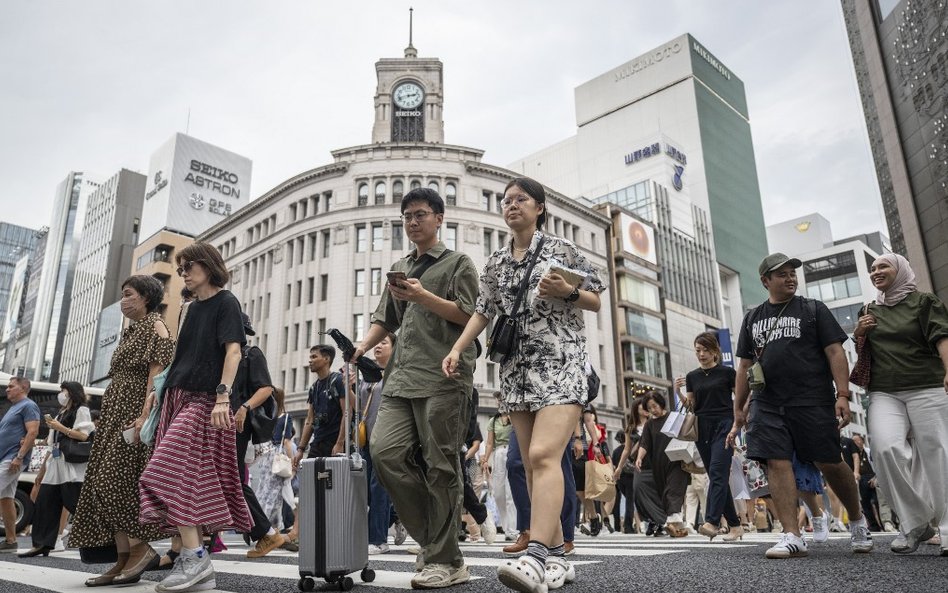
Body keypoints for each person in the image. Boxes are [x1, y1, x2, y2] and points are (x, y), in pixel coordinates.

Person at [444, 176, 605, 593]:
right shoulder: (496, 262)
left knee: (542, 453)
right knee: (532, 464)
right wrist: (459, 348)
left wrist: (567, 291)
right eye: (506, 200)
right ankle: (554, 557)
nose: (511, 205)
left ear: (539, 208)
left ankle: (535, 555)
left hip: (562, 362)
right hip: (516, 369)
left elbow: (596, 296)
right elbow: (483, 311)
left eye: (521, 200)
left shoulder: (561, 250)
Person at [355, 186, 479, 589]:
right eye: (407, 215)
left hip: (444, 376)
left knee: (442, 465)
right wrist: (361, 346)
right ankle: (437, 543)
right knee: (384, 452)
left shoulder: (458, 263)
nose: (412, 221)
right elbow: (385, 317)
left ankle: (445, 558)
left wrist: (424, 296)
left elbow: (471, 316)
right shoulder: (400, 265)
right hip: (400, 378)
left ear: (439, 218)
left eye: (421, 214)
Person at [729, 252, 873, 559]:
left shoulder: (813, 309)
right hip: (767, 403)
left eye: (792, 272)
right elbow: (744, 366)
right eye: (781, 274)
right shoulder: (752, 317)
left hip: (812, 399)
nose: (790, 277)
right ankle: (792, 534)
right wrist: (738, 410)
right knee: (775, 461)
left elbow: (835, 351)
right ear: (765, 281)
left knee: (830, 461)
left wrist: (843, 395)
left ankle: (858, 520)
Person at [138, 242, 253, 592]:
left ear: (208, 265)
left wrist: (223, 397)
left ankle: (195, 558)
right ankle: (195, 557)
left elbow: (233, 351)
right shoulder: (187, 309)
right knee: (187, 479)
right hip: (176, 396)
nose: (184, 273)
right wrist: (161, 389)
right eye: (180, 268)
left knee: (164, 470)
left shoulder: (227, 301)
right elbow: (181, 356)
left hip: (205, 401)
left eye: (189, 266)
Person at [70, 275, 174, 585]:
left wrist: (144, 416)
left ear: (145, 297)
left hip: (133, 416)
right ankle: (123, 559)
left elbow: (157, 377)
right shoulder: (129, 332)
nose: (123, 300)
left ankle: (141, 550)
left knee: (111, 483)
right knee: (104, 488)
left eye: (128, 294)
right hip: (114, 415)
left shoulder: (156, 325)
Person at [854, 253, 948, 555]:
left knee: (938, 454)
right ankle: (916, 522)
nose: (876, 272)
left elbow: (942, 336)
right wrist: (859, 333)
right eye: (873, 269)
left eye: (883, 266)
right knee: (884, 449)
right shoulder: (868, 309)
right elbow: (863, 350)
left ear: (901, 270)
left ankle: (947, 529)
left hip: (929, 386)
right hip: (884, 391)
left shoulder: (924, 302)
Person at [231, 313, 286, 558]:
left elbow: (265, 388)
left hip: (236, 424)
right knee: (225, 481)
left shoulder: (250, 354)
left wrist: (244, 407)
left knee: (229, 480)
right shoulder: (222, 358)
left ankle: (266, 532)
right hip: (215, 423)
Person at [679, 332, 743, 542]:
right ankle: (735, 525)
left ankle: (712, 521)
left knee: (717, 471)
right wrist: (678, 392)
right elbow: (691, 406)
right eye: (698, 350)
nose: (702, 354)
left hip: (724, 424)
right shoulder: (692, 376)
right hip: (702, 427)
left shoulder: (727, 373)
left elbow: (739, 399)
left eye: (706, 350)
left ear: (715, 351)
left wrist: (739, 423)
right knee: (717, 475)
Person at [20, 382, 94, 557]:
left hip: (71, 464)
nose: (61, 394)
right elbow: (53, 439)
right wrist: (41, 440)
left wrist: (60, 428)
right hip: (55, 462)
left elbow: (83, 435)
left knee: (76, 503)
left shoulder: (81, 409)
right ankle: (42, 543)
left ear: (72, 393)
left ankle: (101, 540)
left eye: (64, 390)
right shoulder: (62, 412)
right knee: (45, 502)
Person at [360, 334, 401, 555]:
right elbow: (357, 408)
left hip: (387, 439)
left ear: (394, 348)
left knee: (378, 488)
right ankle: (395, 515)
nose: (378, 346)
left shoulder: (396, 374)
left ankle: (378, 539)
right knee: (365, 488)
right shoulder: (368, 376)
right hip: (366, 439)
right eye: (377, 343)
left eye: (384, 343)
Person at [634, 391, 689, 538]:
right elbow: (644, 443)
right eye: (649, 408)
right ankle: (678, 526)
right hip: (658, 464)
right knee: (665, 494)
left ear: (661, 403)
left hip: (677, 461)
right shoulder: (650, 424)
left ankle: (672, 521)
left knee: (673, 490)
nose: (653, 410)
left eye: (654, 406)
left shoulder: (674, 417)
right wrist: (639, 458)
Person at [0, 376, 40, 553]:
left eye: (11, 386)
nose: (7, 389)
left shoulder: (29, 406)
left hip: (12, 459)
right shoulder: (13, 407)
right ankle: (11, 541)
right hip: (6, 458)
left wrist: (19, 456)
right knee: (6, 499)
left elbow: (33, 432)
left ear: (23, 388)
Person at [481, 405, 517, 542]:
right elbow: (490, 443)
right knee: (499, 494)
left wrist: (511, 417)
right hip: (498, 454)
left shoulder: (514, 418)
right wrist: (485, 459)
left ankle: (512, 530)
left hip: (512, 451)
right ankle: (505, 525)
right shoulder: (493, 421)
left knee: (510, 494)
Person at [612, 397, 648, 534]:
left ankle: (656, 522)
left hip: (654, 463)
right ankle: (647, 523)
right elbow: (627, 450)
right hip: (637, 469)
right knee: (637, 497)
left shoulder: (653, 423)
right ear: (636, 410)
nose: (646, 409)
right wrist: (619, 468)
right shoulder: (631, 429)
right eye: (643, 407)